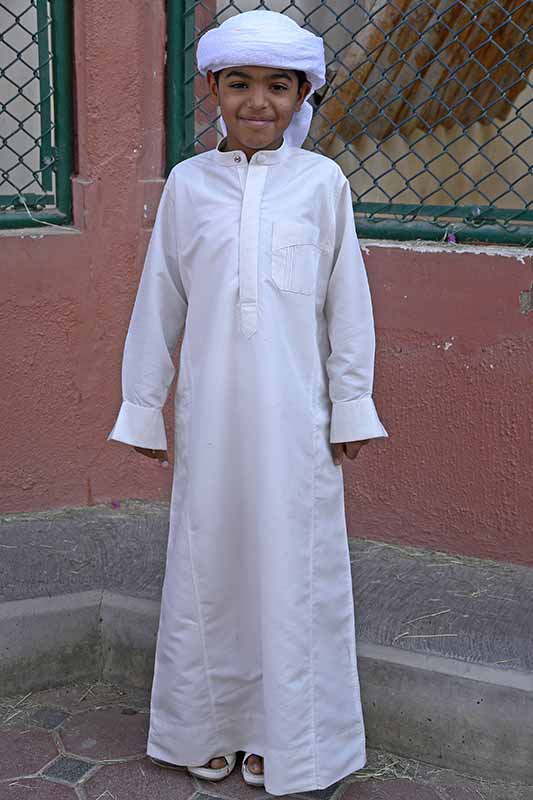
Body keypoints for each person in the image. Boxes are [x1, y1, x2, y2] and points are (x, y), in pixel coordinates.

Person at [108, 8, 388, 795]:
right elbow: (158, 298)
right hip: (211, 420)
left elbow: (347, 304)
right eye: (239, 84)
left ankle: (287, 738)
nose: (257, 101)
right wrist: (144, 406)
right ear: (212, 91)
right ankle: (209, 726)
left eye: (277, 85)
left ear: (303, 94)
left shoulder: (321, 183)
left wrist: (351, 407)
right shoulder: (188, 185)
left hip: (297, 422)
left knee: (294, 574)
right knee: (210, 566)